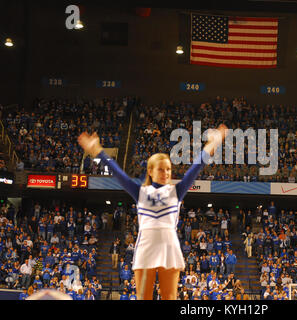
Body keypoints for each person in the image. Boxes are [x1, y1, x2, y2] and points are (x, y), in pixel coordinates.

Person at [77, 124, 227, 300]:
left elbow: (196, 167)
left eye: (169, 169)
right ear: (150, 171)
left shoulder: (176, 191)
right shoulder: (140, 191)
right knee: (144, 297)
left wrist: (212, 144)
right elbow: (118, 173)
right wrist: (97, 150)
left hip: (168, 244)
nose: (166, 173)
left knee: (169, 296)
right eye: (161, 169)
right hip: (146, 244)